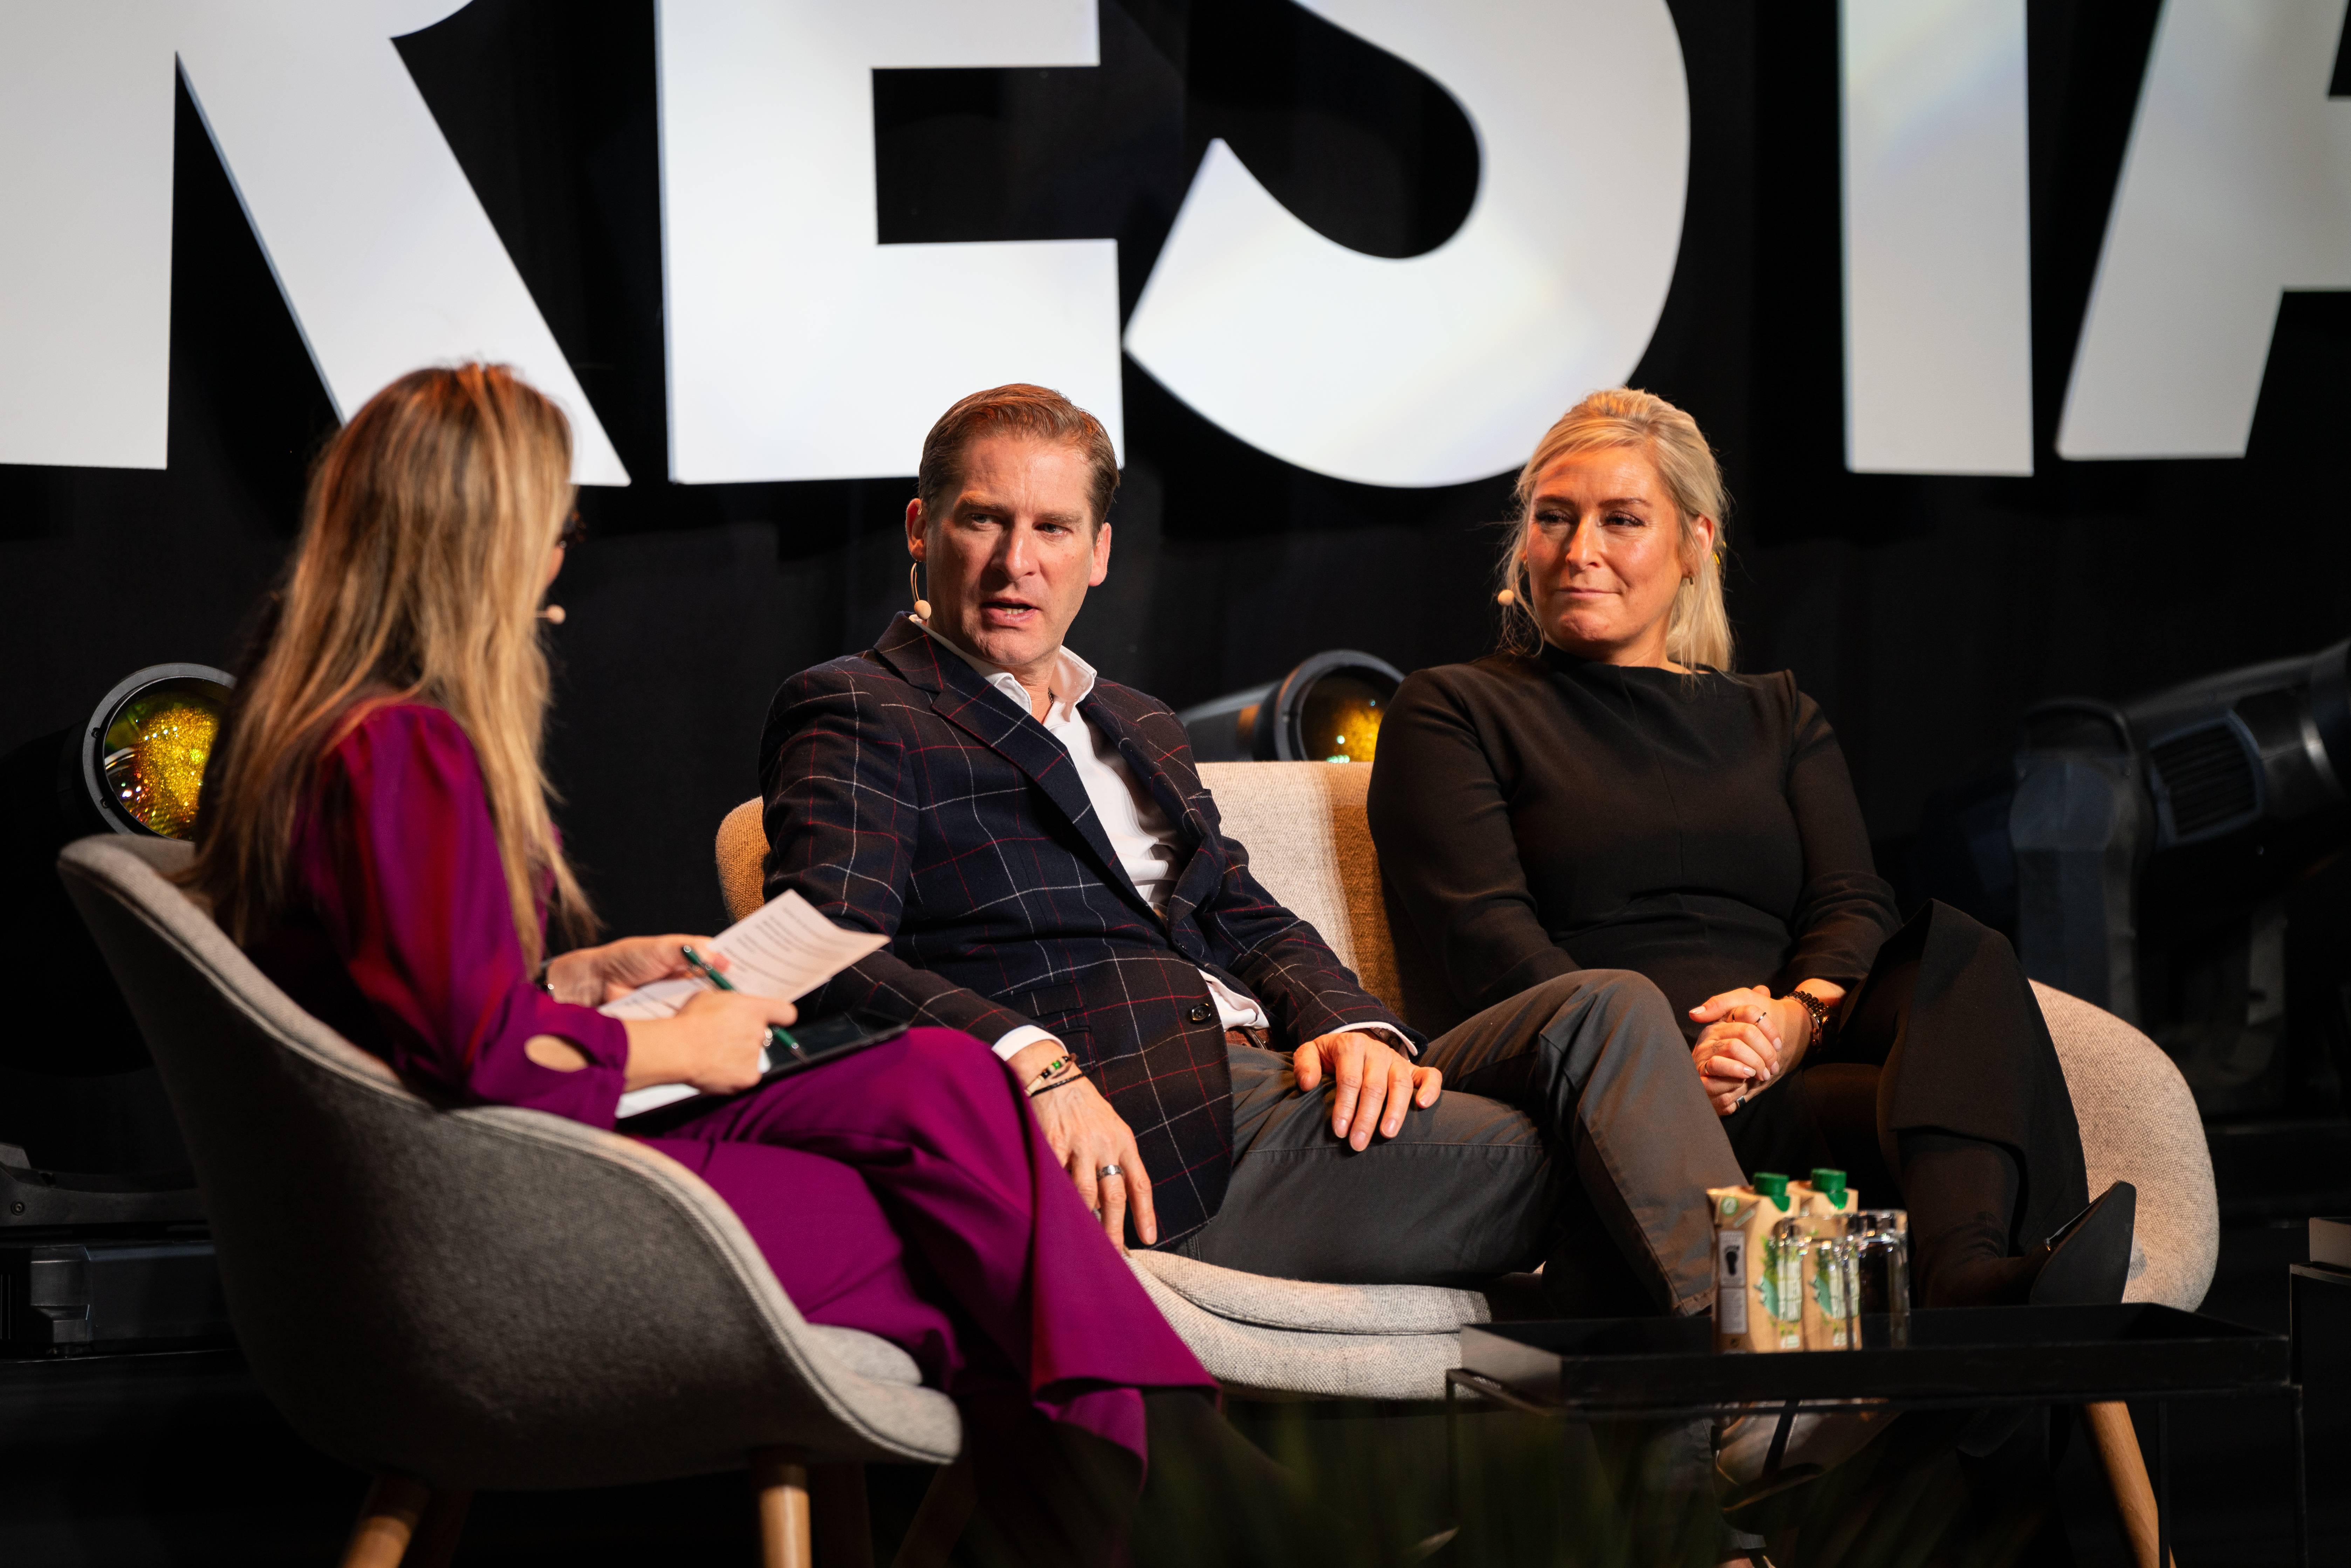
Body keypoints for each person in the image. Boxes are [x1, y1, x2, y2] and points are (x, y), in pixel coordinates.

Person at [185, 364, 1331, 1568]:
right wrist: (667, 1041)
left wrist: (580, 982)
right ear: (476, 538)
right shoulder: (406, 748)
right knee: (969, 1233)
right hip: (496, 1202)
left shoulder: (328, 729)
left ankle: (1158, 1501)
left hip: (495, 1150)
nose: (564, 554)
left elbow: (406, 998)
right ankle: (1219, 1519)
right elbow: (459, 1058)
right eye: (552, 523)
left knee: (939, 1083)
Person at [758, 383, 1746, 1319]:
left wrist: (1353, 1024)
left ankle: (1730, 1403)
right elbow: (819, 950)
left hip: (1283, 1081)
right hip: (1160, 1123)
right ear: (921, 530)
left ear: (1098, 553)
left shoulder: (1135, 720)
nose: (1019, 562)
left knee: (1608, 1009)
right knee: (1608, 1162)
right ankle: (1768, 1389)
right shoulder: (858, 706)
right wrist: (1034, 1064)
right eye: (985, 520)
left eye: (1052, 529)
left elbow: (1240, 905)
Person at [1366, 387, 2134, 1314]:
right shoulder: (1453, 708)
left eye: (1621, 520)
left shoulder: (1777, 714)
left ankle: (1965, 1274)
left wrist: (1788, 1023)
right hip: (1608, 1080)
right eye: (1554, 519)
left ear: (1695, 545)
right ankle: (1987, 1313)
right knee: (1939, 1120)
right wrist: (1656, 1059)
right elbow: (1487, 937)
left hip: (1782, 1060)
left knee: (1962, 952)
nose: (1580, 552)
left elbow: (1852, 903)